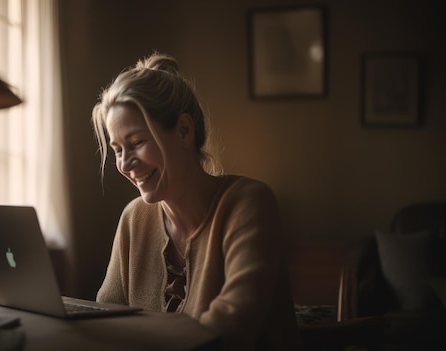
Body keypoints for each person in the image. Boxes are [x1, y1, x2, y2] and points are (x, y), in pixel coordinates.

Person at [91, 52, 303, 351]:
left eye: (137, 142)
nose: (126, 164)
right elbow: (106, 319)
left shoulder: (249, 204)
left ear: (183, 131)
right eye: (117, 149)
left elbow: (232, 327)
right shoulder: (133, 217)